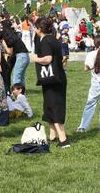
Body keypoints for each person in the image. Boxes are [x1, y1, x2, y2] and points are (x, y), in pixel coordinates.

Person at [30, 17, 69, 148]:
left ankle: (63, 139)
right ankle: (52, 136)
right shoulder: (53, 39)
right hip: (56, 77)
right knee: (49, 107)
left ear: (39, 29)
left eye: (35, 27)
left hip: (53, 79)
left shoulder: (46, 40)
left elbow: (47, 59)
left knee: (54, 107)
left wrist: (35, 58)